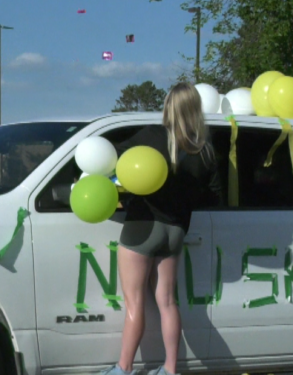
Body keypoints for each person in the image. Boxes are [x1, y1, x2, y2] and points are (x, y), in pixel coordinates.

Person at [102, 83, 223, 375]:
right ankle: (170, 369)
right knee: (168, 302)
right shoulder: (204, 150)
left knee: (135, 302)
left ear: (169, 106)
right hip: (176, 231)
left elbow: (108, 160)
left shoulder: (152, 136)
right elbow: (214, 194)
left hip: (143, 227)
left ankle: (124, 368)